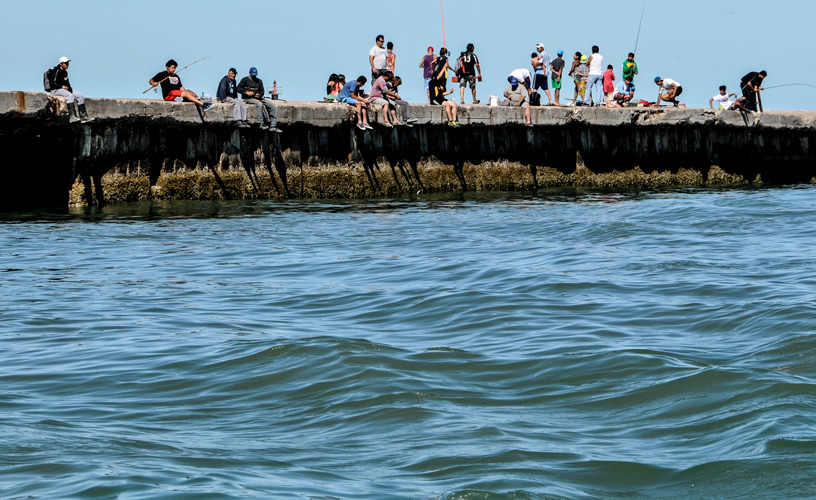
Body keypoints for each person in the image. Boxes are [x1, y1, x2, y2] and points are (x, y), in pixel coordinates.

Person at [48, 56, 91, 121]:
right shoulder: (56, 71)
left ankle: (83, 116)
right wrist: (63, 87)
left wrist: (70, 89)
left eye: (68, 63)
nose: (67, 65)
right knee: (69, 96)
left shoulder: (65, 72)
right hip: (55, 90)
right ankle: (72, 116)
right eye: (66, 63)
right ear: (61, 64)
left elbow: (67, 84)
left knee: (80, 96)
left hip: (64, 89)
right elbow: (53, 84)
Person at [237, 67, 280, 132]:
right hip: (248, 98)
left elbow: (262, 91)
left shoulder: (259, 81)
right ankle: (261, 123)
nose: (254, 76)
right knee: (259, 104)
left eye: (255, 74)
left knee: (272, 106)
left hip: (258, 98)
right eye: (253, 74)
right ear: (249, 73)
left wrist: (259, 95)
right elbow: (238, 89)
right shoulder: (244, 80)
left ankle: (273, 126)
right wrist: (246, 92)